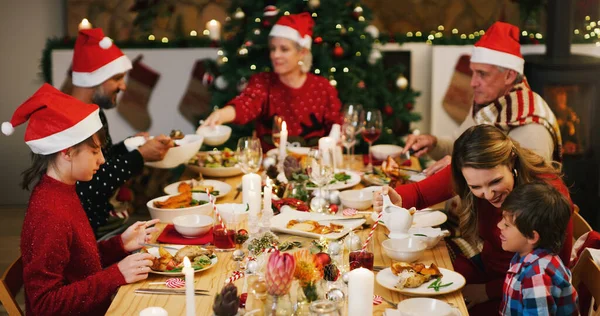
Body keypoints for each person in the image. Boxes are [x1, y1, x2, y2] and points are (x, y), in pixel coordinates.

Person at [373, 125, 574, 314]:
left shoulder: (548, 195)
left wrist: (487, 291)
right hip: (485, 266)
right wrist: (395, 199)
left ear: (511, 160)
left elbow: (553, 270)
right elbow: (419, 193)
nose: (487, 195)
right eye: (475, 187)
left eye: (495, 181)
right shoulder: (469, 168)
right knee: (414, 289)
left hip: (522, 287)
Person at [1, 84, 158, 315]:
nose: (103, 160)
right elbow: (45, 305)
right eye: (95, 151)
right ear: (66, 151)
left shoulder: (63, 190)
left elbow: (81, 266)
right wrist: (116, 275)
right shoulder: (49, 213)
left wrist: (120, 244)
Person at [403, 22, 562, 176]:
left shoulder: (531, 125)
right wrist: (433, 143)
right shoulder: (490, 104)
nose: (472, 83)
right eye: (473, 72)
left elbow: (528, 193)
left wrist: (458, 167)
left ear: (509, 75)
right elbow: (460, 147)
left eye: (482, 74)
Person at [70, 27, 173, 233]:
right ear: (95, 78)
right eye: (117, 78)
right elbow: (89, 187)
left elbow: (102, 162)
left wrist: (129, 145)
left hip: (107, 222)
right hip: (90, 231)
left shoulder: (95, 113)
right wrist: (139, 156)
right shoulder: (73, 121)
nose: (123, 86)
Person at [201, 12, 342, 151]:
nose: (275, 55)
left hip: (312, 167)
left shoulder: (322, 88)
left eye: (284, 49)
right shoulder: (263, 82)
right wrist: (220, 115)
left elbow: (336, 127)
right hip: (271, 167)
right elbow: (245, 104)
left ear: (302, 53)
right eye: (273, 49)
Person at [498, 182, 578, 315]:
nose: (499, 225)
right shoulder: (529, 256)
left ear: (532, 236)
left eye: (506, 225)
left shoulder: (536, 277)